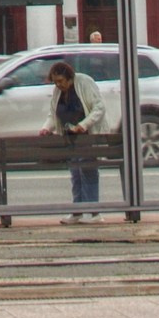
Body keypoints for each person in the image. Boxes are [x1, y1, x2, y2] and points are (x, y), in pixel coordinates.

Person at [44, 59, 106, 223]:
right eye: (55, 82)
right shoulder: (58, 91)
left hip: (87, 136)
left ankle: (94, 213)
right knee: (76, 174)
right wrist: (46, 128)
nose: (58, 85)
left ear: (69, 78)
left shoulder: (84, 83)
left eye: (60, 81)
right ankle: (77, 212)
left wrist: (83, 125)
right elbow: (53, 113)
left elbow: (99, 108)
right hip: (71, 139)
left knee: (88, 171)